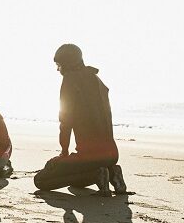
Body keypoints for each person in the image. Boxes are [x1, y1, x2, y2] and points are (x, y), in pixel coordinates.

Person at [33, 44, 126, 196]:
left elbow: (65, 122)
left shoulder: (70, 81)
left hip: (89, 156)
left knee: (41, 180)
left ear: (67, 64)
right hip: (112, 154)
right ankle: (112, 171)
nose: (58, 70)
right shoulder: (97, 80)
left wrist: (64, 152)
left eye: (59, 65)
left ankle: (97, 174)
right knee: (75, 183)